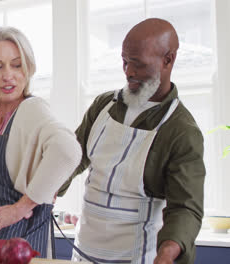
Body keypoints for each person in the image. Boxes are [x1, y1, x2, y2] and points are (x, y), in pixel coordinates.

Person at [58, 18, 206, 264]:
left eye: (138, 64)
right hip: (84, 253)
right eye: (125, 61)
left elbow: (185, 208)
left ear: (168, 60)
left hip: (138, 257)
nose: (128, 72)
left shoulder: (181, 131)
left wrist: (168, 252)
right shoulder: (103, 106)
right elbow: (73, 156)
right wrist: (47, 189)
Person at [0, 26, 82, 258]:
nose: (8, 75)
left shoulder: (31, 109)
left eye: (17, 65)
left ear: (28, 69)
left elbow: (68, 151)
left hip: (20, 248)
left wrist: (22, 207)